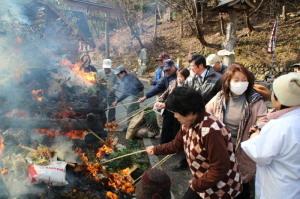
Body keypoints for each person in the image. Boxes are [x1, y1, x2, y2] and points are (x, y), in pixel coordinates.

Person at [146, 87, 242, 199]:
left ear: (191, 112)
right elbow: (176, 145)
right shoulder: (188, 124)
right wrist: (156, 149)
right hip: (203, 181)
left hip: (222, 187)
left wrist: (196, 184)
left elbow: (220, 167)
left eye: (176, 113)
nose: (175, 116)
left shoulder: (211, 131)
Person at [206, 63, 268, 199]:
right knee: (222, 178)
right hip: (222, 145)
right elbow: (206, 113)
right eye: (236, 80)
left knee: (242, 182)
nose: (241, 83)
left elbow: (264, 119)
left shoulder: (255, 100)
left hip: (244, 146)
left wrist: (257, 129)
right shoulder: (220, 97)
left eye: (244, 80)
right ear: (228, 81)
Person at [241, 72, 300, 199]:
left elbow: (259, 154)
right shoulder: (293, 119)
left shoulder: (280, 125)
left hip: (280, 188)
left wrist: (255, 135)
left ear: (279, 99)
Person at [154, 68, 190, 144]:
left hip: (179, 110)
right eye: (178, 76)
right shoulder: (173, 82)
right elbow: (166, 92)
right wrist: (160, 99)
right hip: (168, 108)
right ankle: (164, 144)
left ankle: (174, 145)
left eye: (182, 76)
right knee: (166, 126)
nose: (179, 78)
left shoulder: (188, 85)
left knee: (176, 128)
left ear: (186, 77)